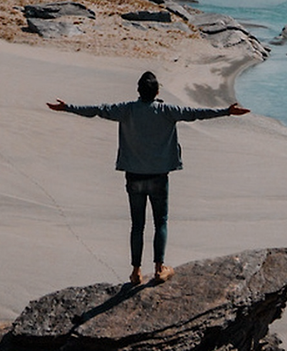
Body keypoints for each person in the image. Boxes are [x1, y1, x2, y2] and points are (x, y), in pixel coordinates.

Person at [48, 71, 249, 285]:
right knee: (160, 222)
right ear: (157, 92)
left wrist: (67, 107)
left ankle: (136, 272)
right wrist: (227, 111)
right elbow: (196, 113)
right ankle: (159, 268)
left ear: (138, 91)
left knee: (137, 224)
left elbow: (97, 110)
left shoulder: (126, 110)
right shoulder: (167, 110)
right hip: (159, 177)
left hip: (133, 176)